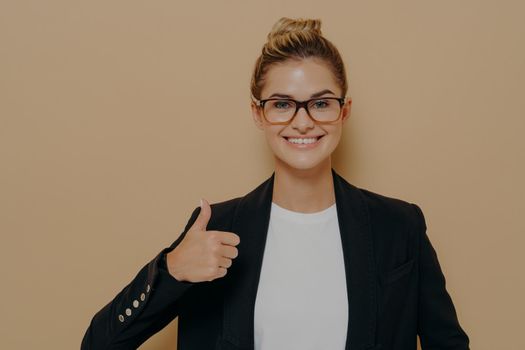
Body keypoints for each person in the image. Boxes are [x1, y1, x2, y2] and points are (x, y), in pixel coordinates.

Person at [81, 17, 469, 350]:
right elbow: (99, 343)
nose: (302, 121)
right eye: (282, 104)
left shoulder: (400, 226)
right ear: (258, 113)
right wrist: (171, 271)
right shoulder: (217, 229)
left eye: (320, 103)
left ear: (343, 110)